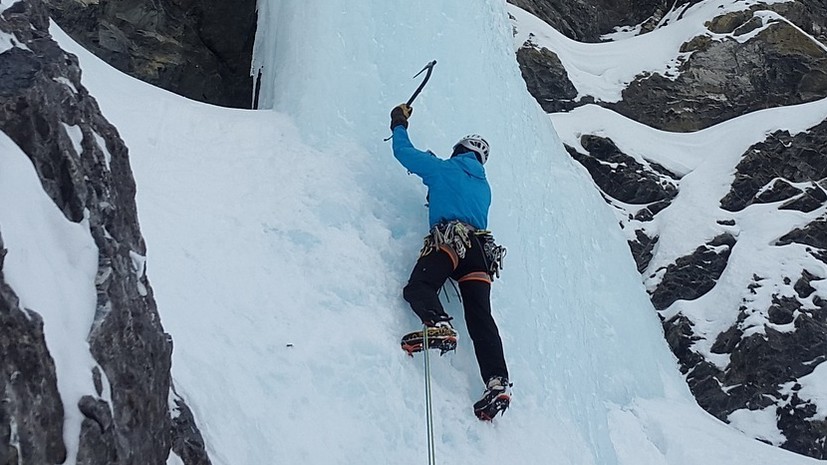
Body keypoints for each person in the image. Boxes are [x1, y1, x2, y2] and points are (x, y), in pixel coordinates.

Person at [389, 103, 511, 420]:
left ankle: (439, 324)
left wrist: (398, 122)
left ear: (458, 150)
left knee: (419, 287)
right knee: (481, 318)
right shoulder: (484, 187)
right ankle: (497, 382)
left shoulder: (443, 168)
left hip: (451, 241)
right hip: (480, 254)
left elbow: (404, 153)